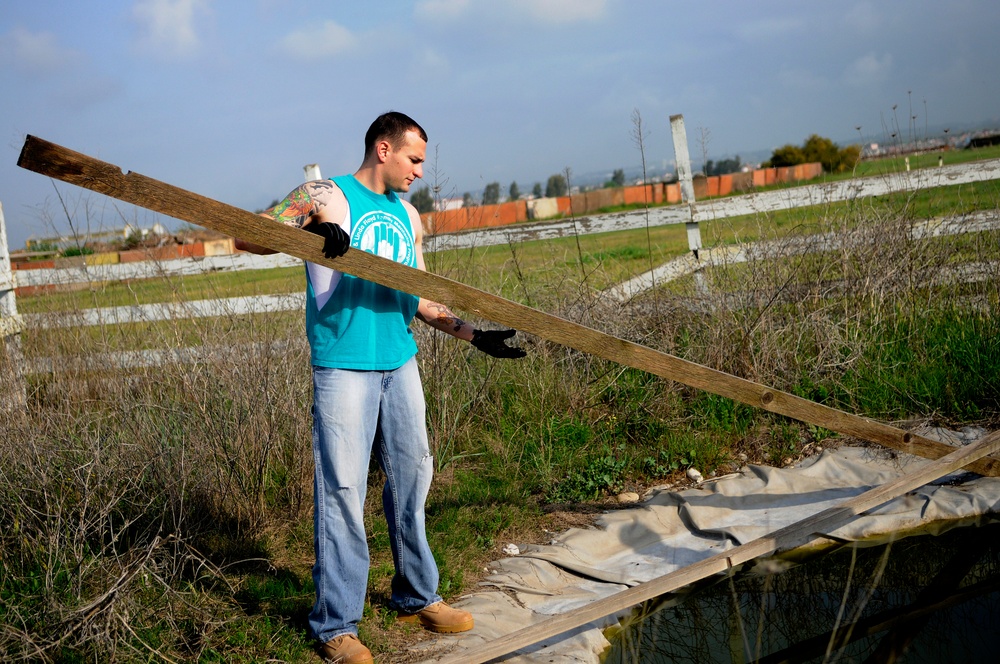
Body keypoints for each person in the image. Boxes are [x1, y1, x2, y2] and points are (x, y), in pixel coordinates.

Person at [236, 111, 525, 663]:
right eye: (415, 159)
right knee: (343, 492)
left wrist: (472, 334)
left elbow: (417, 295)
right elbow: (245, 237)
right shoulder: (323, 194)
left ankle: (417, 595)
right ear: (384, 148)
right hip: (343, 365)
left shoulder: (410, 216)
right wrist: (307, 232)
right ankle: (335, 626)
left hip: (401, 363)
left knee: (413, 478)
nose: (420, 171)